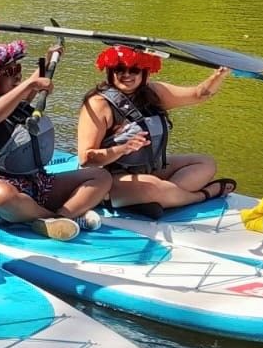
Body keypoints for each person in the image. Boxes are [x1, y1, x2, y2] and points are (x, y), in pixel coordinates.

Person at [0, 40, 111, 241]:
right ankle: (51, 217)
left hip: (35, 184)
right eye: (8, 72)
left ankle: (62, 218)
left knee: (101, 177)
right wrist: (29, 85)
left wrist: (49, 60)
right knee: (1, 195)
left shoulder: (16, 101)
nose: (16, 76)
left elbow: (30, 86)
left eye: (18, 69)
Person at [75, 45, 235, 218]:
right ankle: (201, 195)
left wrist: (219, 75)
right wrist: (121, 149)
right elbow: (86, 159)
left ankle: (161, 198)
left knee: (205, 163)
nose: (126, 75)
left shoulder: (154, 92)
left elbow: (199, 94)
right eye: (119, 69)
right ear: (110, 71)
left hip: (148, 170)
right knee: (154, 186)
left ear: (145, 72)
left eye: (134, 70)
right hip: (109, 180)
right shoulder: (97, 104)